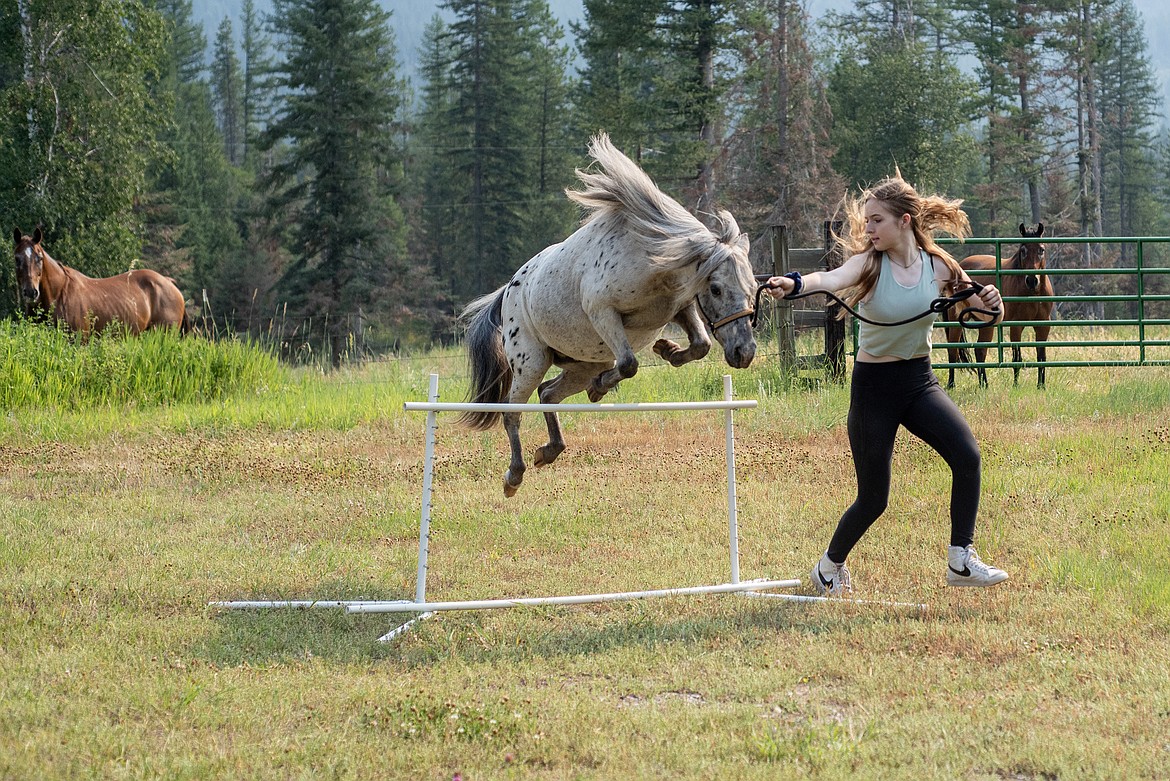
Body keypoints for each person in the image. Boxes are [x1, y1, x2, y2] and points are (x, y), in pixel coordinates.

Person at [765, 173, 1009, 594]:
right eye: (867, 221)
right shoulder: (870, 265)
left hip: (919, 382)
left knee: (967, 458)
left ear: (906, 221)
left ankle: (961, 561)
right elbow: (831, 279)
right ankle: (828, 568)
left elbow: (984, 312)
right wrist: (796, 283)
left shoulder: (940, 267)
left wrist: (993, 303)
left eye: (877, 220)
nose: (869, 229)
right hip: (874, 389)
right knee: (875, 498)